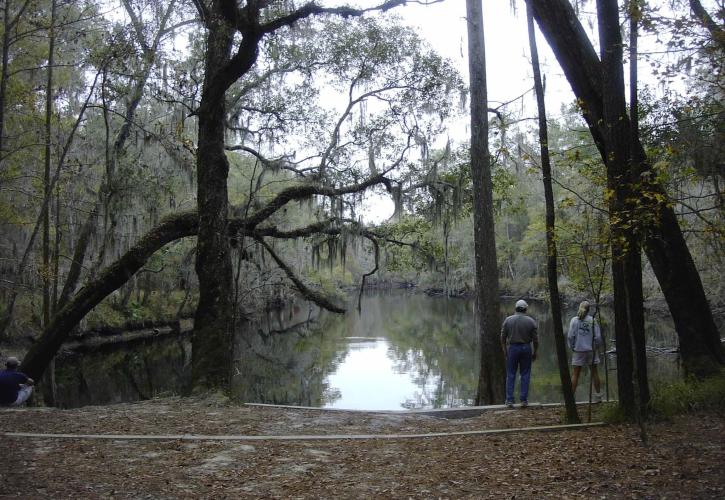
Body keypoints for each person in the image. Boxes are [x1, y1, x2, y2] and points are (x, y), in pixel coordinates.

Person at [500, 299, 538, 408]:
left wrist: (504, 350)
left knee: (511, 374)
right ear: (525, 309)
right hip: (526, 348)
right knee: (525, 374)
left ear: (515, 308)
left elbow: (502, 337)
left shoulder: (508, 320)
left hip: (513, 348)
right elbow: (535, 340)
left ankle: (509, 400)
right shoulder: (531, 321)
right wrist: (535, 352)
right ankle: (523, 400)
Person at [567, 301, 603, 402]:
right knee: (594, 373)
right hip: (591, 350)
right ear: (589, 309)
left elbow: (570, 336)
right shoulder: (593, 320)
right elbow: (598, 337)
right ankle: (598, 397)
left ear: (579, 308)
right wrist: (596, 347)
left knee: (575, 374)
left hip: (578, 350)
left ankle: (570, 399)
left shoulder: (574, 320)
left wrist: (572, 346)